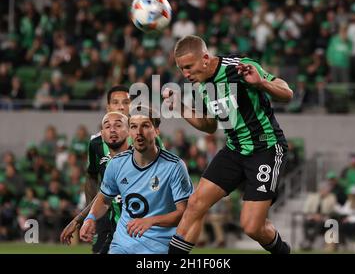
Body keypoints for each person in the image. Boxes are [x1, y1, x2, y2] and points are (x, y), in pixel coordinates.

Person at [162, 35, 293, 254]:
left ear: (205, 58)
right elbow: (209, 125)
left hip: (265, 148)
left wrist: (261, 83)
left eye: (188, 67)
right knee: (195, 204)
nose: (185, 74)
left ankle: (283, 252)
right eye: (181, 68)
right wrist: (180, 107)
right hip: (234, 149)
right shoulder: (202, 85)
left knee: (252, 227)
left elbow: (287, 93)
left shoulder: (240, 67)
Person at [79, 106, 193, 254]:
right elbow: (104, 198)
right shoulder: (116, 164)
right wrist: (91, 217)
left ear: (156, 131)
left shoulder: (174, 166)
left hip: (158, 248)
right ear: (129, 132)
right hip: (121, 245)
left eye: (145, 126)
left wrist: (151, 221)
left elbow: (184, 213)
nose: (139, 133)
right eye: (133, 126)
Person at [60, 85, 130, 253]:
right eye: (115, 102)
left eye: (126, 102)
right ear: (108, 107)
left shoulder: (145, 139)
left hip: (139, 216)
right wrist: (91, 216)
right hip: (107, 212)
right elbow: (92, 178)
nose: (121, 107)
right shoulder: (96, 143)